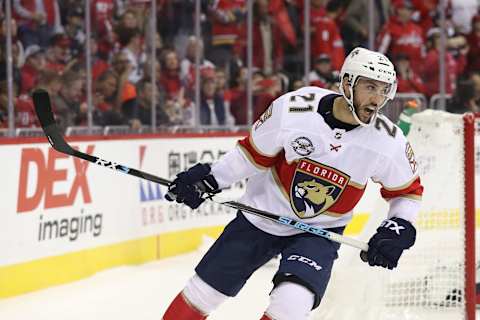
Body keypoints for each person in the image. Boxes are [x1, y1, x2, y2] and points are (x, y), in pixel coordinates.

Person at [162, 47, 423, 320]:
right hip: (259, 218)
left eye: (384, 90)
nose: (377, 99)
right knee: (202, 294)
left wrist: (398, 227)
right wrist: (210, 178)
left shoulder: (388, 141)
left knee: (291, 306)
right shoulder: (297, 108)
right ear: (347, 83)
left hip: (318, 233)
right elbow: (252, 156)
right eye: (371, 87)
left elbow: (408, 192)